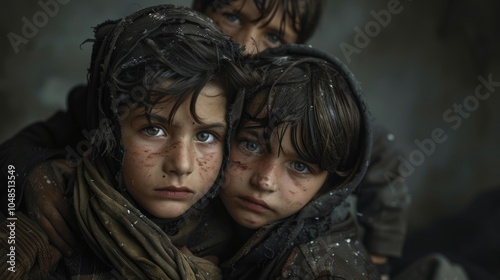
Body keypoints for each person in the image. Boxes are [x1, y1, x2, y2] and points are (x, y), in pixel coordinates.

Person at [1, 0, 409, 275]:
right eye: (231, 16)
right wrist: (31, 175)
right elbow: (14, 155)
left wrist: (380, 253)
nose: (245, 44)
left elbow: (378, 155)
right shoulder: (138, 84)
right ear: (198, 8)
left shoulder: (285, 102)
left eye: (273, 37)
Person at [0, 4, 257, 279]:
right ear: (107, 125)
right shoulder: (36, 233)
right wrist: (25, 176)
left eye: (205, 136)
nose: (181, 165)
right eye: (153, 130)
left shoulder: (241, 239)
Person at [217, 44, 379, 279]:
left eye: (300, 166)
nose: (265, 181)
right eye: (251, 145)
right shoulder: (198, 216)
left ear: (330, 184)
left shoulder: (317, 271)